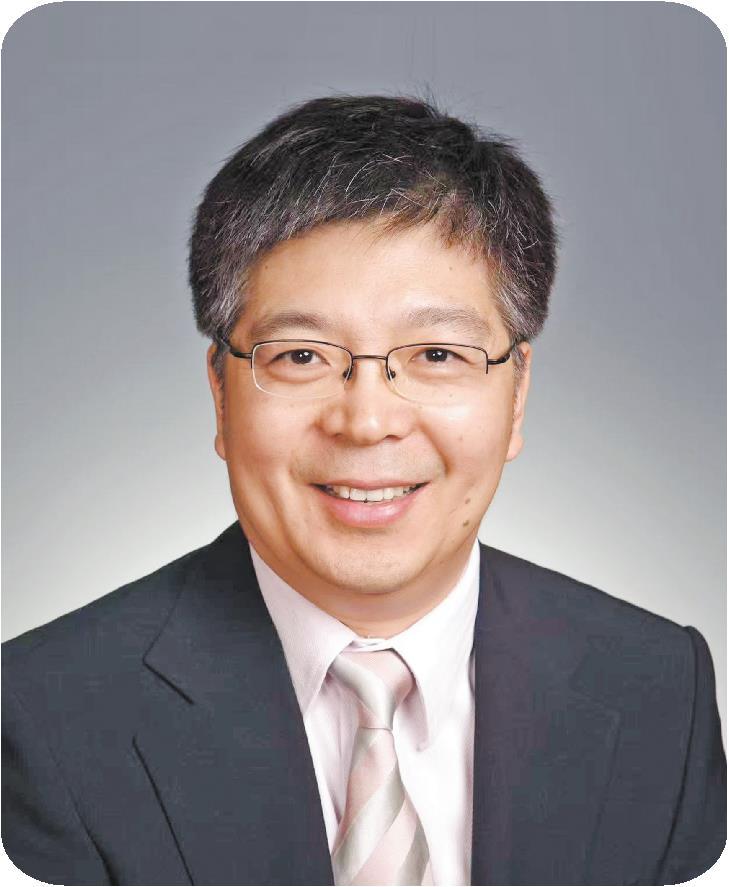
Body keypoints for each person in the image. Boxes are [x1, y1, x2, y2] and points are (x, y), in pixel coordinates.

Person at [2, 95, 725, 887]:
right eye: (301, 356)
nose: (368, 421)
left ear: (516, 394)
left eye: (437, 354)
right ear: (220, 393)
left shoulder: (659, 688)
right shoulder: (41, 714)